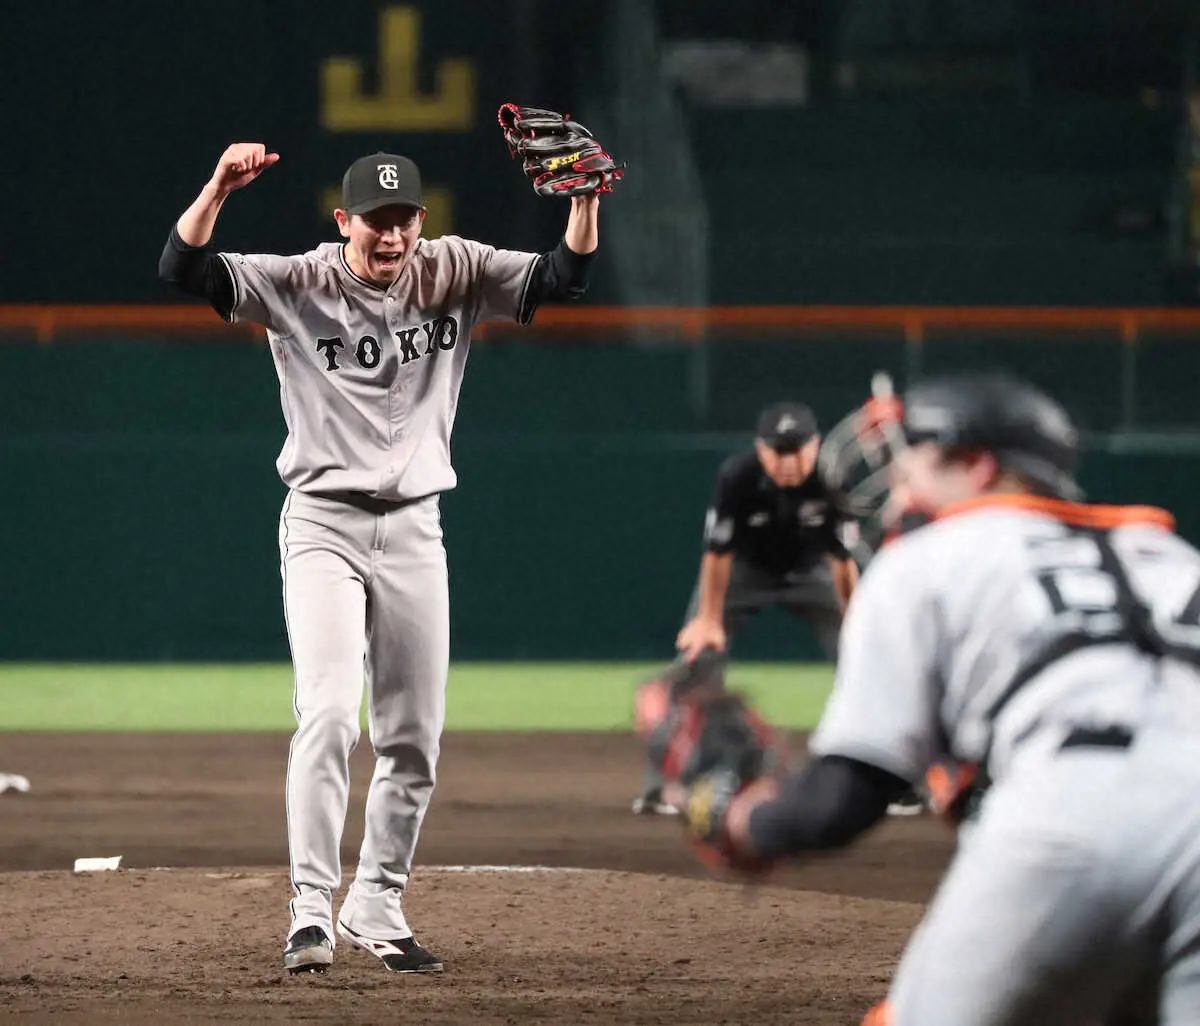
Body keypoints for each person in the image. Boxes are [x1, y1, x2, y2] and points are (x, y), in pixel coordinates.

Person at [159, 143, 601, 974]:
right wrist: (216, 186)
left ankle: (377, 903)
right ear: (344, 222)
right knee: (331, 714)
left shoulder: (455, 267)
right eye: (376, 221)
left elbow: (562, 278)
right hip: (323, 524)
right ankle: (310, 909)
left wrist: (584, 204)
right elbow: (183, 268)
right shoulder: (300, 282)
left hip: (414, 528)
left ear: (421, 221)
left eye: (404, 220)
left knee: (414, 737)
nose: (392, 236)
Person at [674, 371, 1200, 1025]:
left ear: (978, 466)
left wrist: (736, 817)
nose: (897, 487)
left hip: (1065, 822)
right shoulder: (1172, 556)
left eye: (913, 462)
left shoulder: (928, 558)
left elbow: (844, 800)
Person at [632, 401, 860, 815]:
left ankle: (890, 780)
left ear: (815, 447)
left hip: (812, 576)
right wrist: (708, 618)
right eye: (779, 451)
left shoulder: (830, 479)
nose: (789, 462)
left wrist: (857, 617)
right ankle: (666, 786)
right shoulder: (738, 477)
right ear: (760, 449)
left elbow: (842, 562)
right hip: (743, 575)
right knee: (696, 664)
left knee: (864, 665)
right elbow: (717, 554)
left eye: (798, 450)